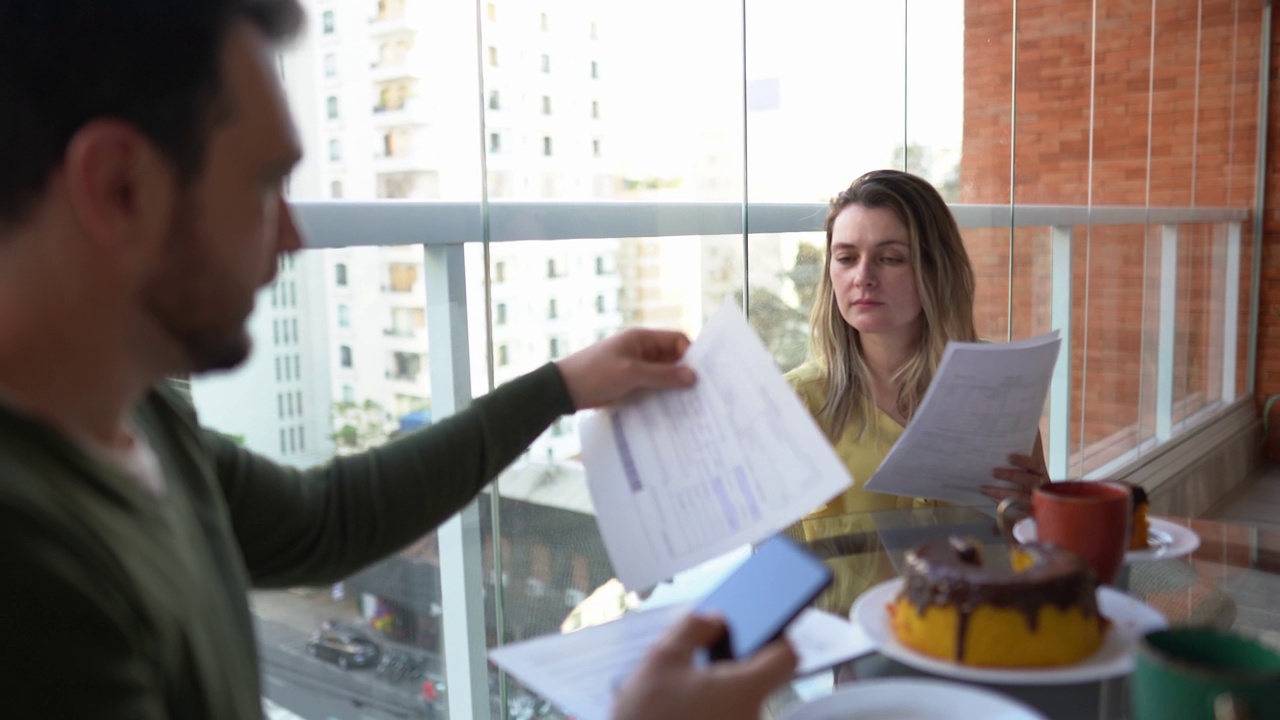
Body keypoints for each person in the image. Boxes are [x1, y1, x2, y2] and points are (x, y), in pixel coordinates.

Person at [0, 2, 794, 718]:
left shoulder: (137, 416)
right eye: (263, 188)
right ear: (119, 188)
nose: (292, 238)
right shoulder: (30, 565)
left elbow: (327, 520)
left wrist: (559, 387)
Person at [784, 170, 1047, 606]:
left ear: (934, 267)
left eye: (890, 258)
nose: (862, 277)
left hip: (986, 632)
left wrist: (1031, 504)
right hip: (858, 653)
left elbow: (1038, 539)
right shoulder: (796, 404)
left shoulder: (997, 382)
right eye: (846, 257)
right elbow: (778, 569)